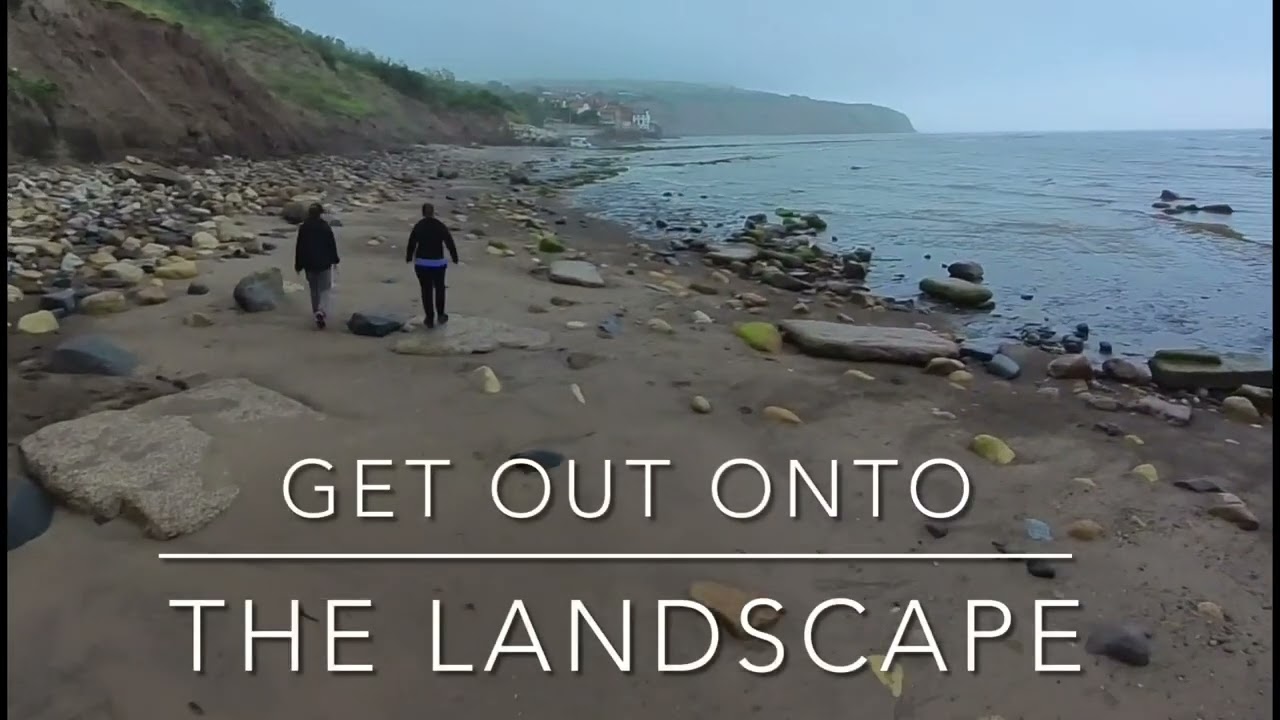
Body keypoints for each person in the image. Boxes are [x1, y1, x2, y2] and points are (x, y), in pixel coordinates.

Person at [404, 202, 459, 329]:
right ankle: (440, 315)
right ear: (433, 212)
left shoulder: (419, 226)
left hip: (422, 263)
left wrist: (409, 257)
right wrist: (454, 257)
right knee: (440, 288)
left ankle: (429, 318)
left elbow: (412, 242)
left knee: (426, 290)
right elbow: (449, 241)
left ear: (423, 213)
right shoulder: (440, 225)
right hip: (438, 263)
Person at [293, 203, 340, 329]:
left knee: (314, 290)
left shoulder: (304, 228)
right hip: (324, 263)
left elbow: (300, 247)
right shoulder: (325, 227)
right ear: (320, 214)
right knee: (325, 289)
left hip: (309, 264)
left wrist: (298, 265)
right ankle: (322, 311)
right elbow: (331, 244)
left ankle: (316, 313)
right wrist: (335, 260)